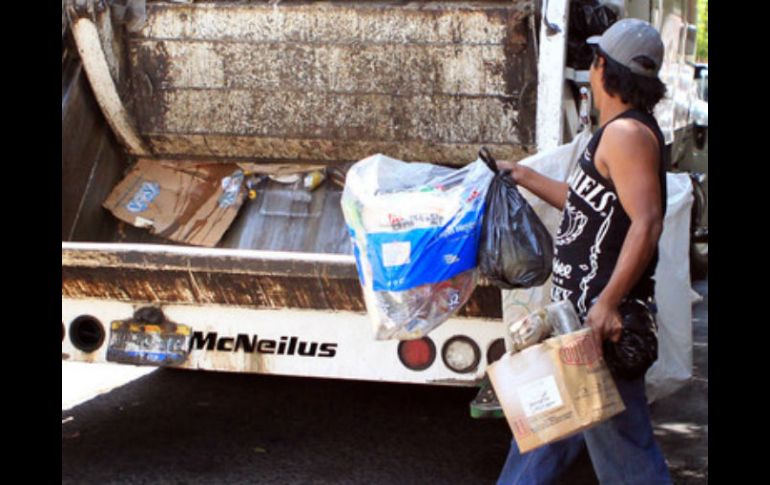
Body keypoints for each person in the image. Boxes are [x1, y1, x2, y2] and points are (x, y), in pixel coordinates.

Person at [493, 19, 673, 484]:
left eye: (593, 62)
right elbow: (587, 205)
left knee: (626, 457)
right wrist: (523, 176)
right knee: (543, 434)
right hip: (576, 321)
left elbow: (647, 222)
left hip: (598, 327)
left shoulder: (627, 135)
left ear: (601, 68)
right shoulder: (618, 132)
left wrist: (608, 304)